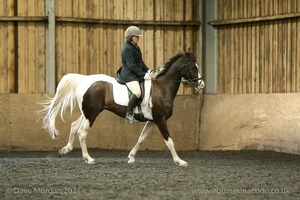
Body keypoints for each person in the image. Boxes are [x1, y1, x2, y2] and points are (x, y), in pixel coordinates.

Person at [117, 26, 152, 123]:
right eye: (137, 36)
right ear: (131, 37)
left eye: (138, 37)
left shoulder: (135, 46)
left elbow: (140, 62)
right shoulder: (127, 48)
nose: (138, 38)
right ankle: (129, 114)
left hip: (135, 73)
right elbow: (131, 65)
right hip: (128, 74)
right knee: (137, 92)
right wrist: (142, 75)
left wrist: (148, 71)